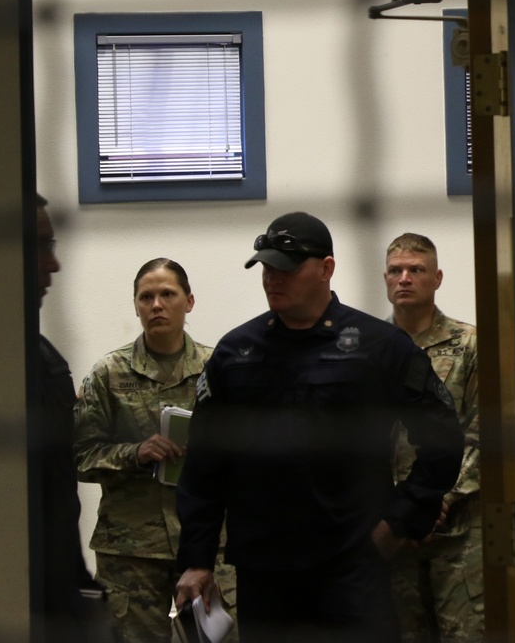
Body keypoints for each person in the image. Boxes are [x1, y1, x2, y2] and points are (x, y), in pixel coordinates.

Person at [174, 211, 464, 643]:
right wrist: (196, 558)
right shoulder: (237, 353)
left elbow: (442, 436)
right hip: (264, 572)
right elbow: (203, 464)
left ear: (326, 268)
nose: (274, 278)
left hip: (351, 568)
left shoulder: (378, 346)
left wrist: (399, 522)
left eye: (287, 268)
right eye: (267, 268)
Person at [73, 258, 237, 643]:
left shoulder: (220, 368)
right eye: (146, 297)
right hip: (132, 551)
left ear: (189, 302)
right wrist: (134, 453)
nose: (157, 305)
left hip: (210, 542)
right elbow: (81, 457)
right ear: (136, 306)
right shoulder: (108, 374)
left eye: (168, 294)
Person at [384, 233, 482, 643]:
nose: (404, 278)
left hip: (455, 528)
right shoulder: (371, 348)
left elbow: (482, 431)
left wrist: (437, 499)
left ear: (437, 278)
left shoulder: (470, 344)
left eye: (416, 270)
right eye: (395, 271)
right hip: (392, 528)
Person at [35, 193, 115, 643]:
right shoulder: (105, 371)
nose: (54, 265)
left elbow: (57, 495)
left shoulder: (44, 360)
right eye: (42, 246)